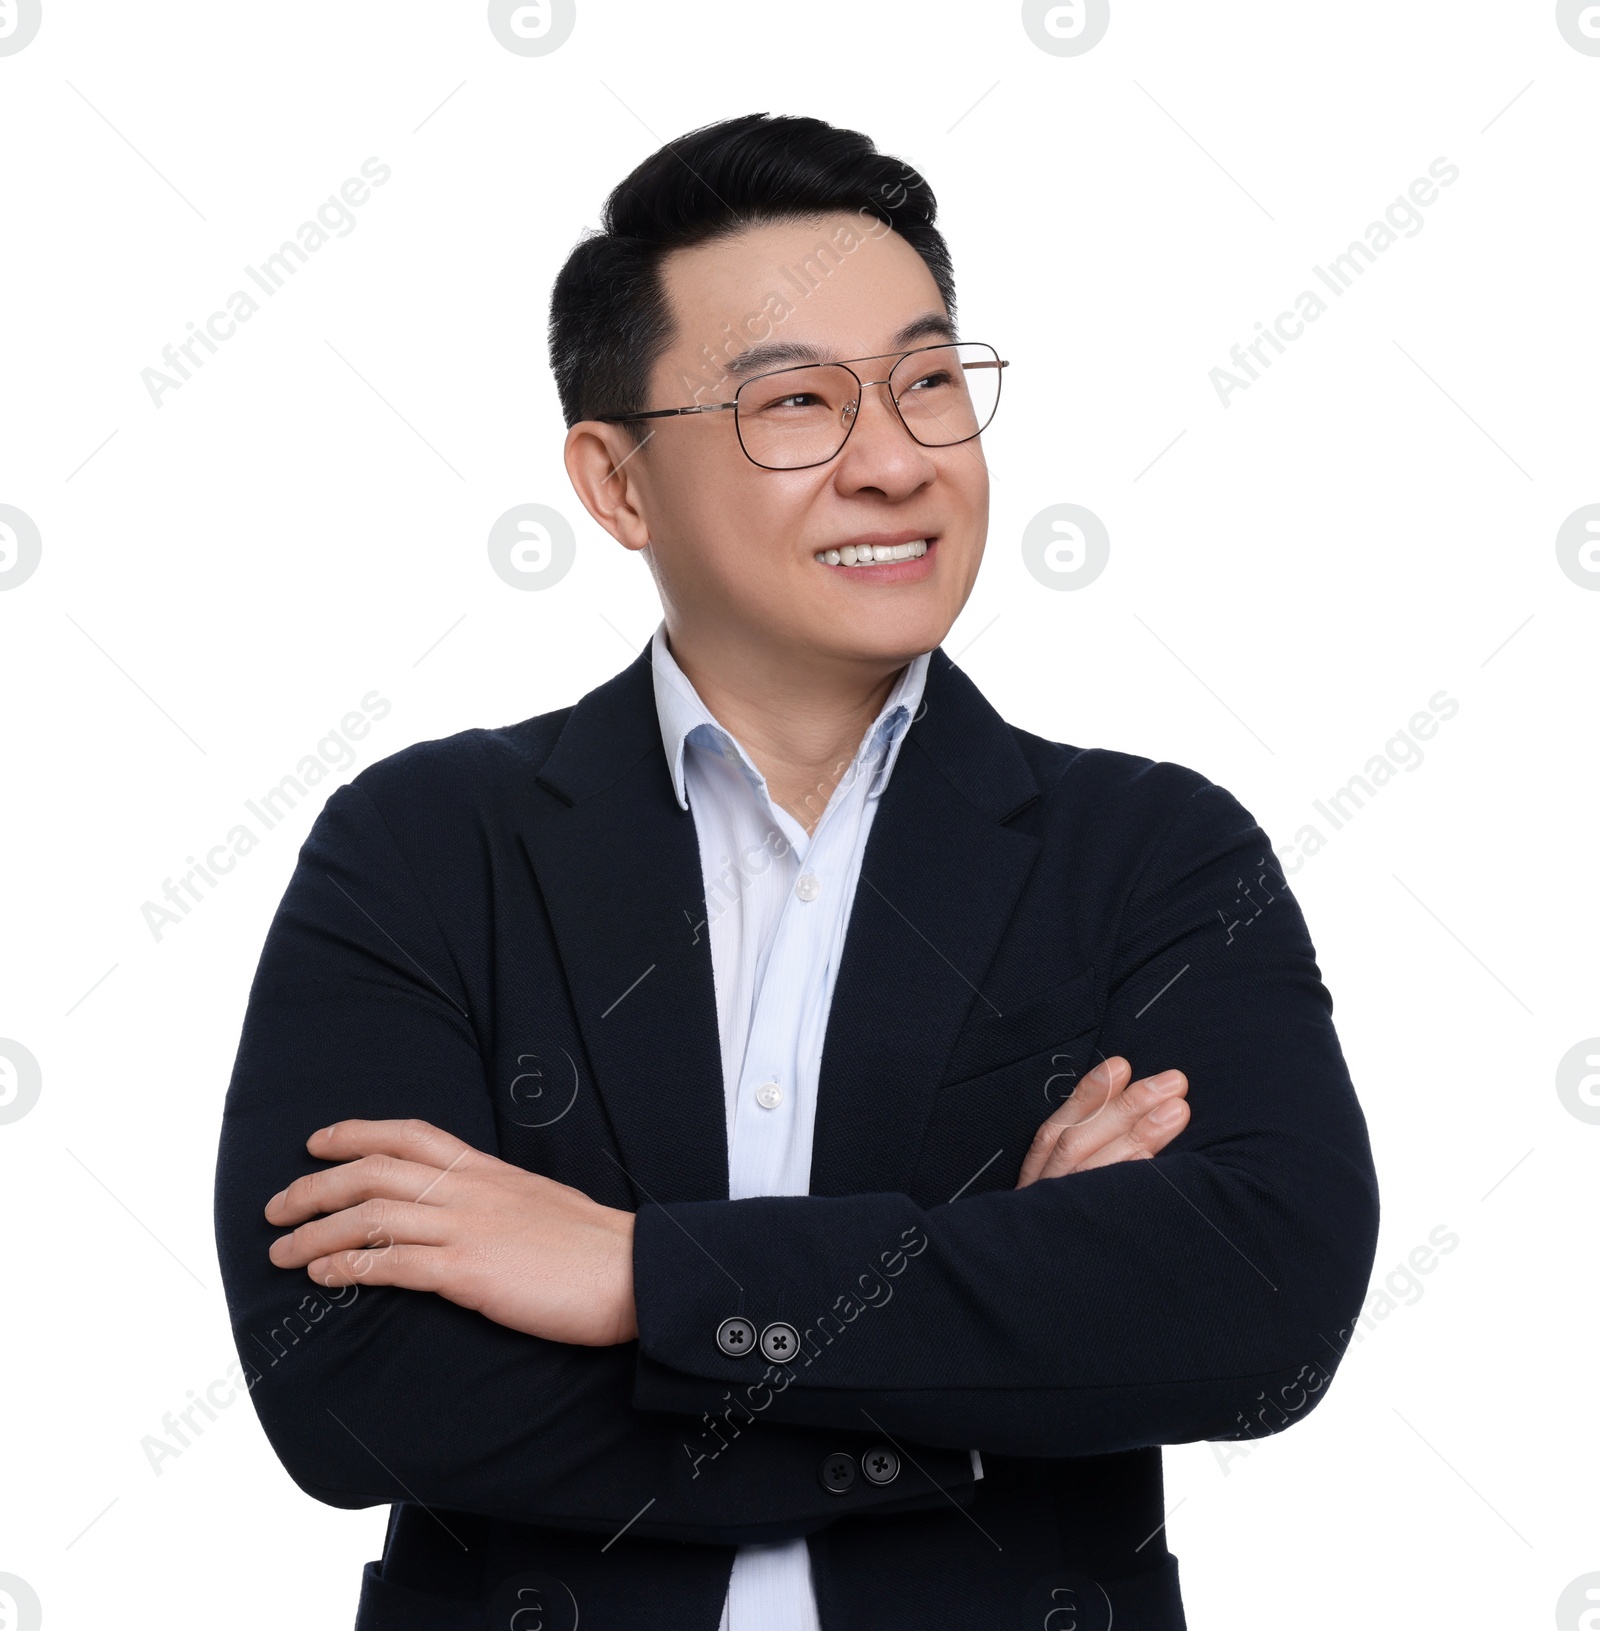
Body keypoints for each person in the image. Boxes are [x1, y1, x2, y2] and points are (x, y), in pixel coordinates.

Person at [214, 112, 1379, 1631]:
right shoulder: (425, 844)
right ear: (618, 483)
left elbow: (1262, 1310)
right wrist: (997, 1350)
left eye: (928, 384)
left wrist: (636, 1277)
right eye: (797, 404)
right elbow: (351, 1390)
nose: (893, 461)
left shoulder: (1155, 852)